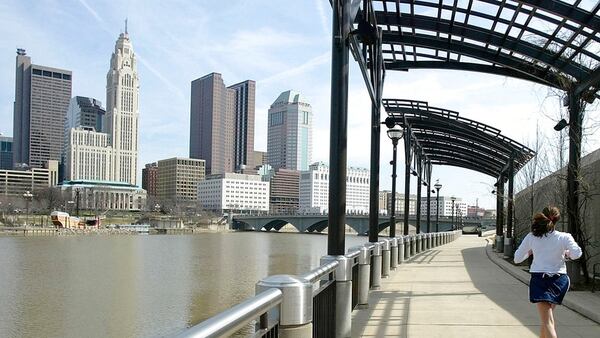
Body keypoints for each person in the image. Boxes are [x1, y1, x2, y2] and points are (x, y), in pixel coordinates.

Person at [514, 206, 582, 338]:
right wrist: (566, 254)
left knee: (547, 321)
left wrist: (530, 251)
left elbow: (517, 259)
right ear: (557, 219)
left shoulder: (532, 237)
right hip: (560, 280)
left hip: (540, 280)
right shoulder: (565, 237)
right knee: (547, 319)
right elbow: (577, 254)